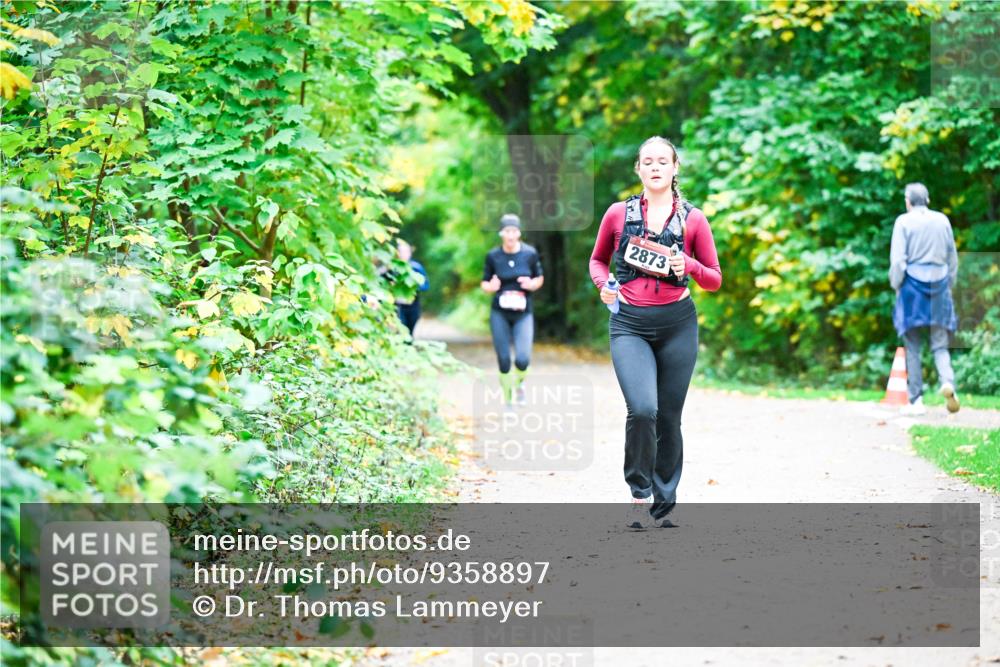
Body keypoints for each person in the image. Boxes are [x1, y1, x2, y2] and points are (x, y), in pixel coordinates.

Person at [589, 136, 722, 530]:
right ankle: (639, 490)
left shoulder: (694, 219)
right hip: (629, 325)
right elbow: (597, 261)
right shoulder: (618, 214)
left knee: (669, 417)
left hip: (678, 325)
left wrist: (689, 265)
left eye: (663, 161)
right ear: (639, 168)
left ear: (675, 167)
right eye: (648, 161)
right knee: (643, 409)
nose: (655, 167)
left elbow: (714, 278)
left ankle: (665, 500)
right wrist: (604, 285)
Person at [889, 182, 960, 416]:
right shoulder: (942, 220)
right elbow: (952, 258)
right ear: (927, 200)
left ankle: (916, 400)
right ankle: (947, 382)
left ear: (908, 202)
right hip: (939, 284)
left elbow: (898, 261)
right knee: (940, 343)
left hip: (912, 287)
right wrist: (949, 283)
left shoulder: (903, 222)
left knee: (912, 345)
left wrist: (896, 285)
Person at [481, 214, 544, 407]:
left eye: (514, 231)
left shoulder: (529, 253)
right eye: (507, 231)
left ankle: (520, 384)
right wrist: (491, 286)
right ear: (501, 233)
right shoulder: (493, 256)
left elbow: (539, 278)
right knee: (504, 359)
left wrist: (532, 284)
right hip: (499, 313)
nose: (510, 235)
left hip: (523, 313)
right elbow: (484, 283)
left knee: (523, 359)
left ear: (519, 233)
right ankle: (508, 395)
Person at [393, 240, 429, 337]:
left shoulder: (416, 267)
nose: (404, 254)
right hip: (398, 306)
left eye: (406, 251)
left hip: (413, 306)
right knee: (401, 330)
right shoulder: (392, 267)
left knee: (410, 331)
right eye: (401, 251)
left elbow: (425, 285)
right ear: (397, 253)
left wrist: (413, 286)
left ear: (410, 253)